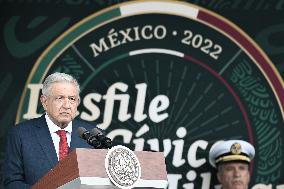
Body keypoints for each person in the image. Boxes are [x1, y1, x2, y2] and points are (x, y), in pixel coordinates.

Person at [2, 72, 98, 189]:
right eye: (60, 98)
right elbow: (11, 182)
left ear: (77, 102)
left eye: (72, 99)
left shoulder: (93, 136)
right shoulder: (21, 134)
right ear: (44, 101)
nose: (67, 105)